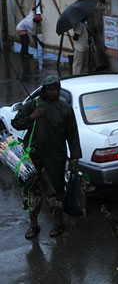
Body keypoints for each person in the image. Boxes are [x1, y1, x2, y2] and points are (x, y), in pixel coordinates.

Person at [12, 75, 82, 239]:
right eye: (50, 89)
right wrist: (32, 117)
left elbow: (72, 134)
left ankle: (59, 224)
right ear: (45, 90)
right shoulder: (33, 105)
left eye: (56, 89)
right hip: (33, 158)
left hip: (55, 159)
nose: (54, 92)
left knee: (55, 193)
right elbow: (16, 123)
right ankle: (34, 225)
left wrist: (75, 156)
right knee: (32, 193)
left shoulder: (65, 108)